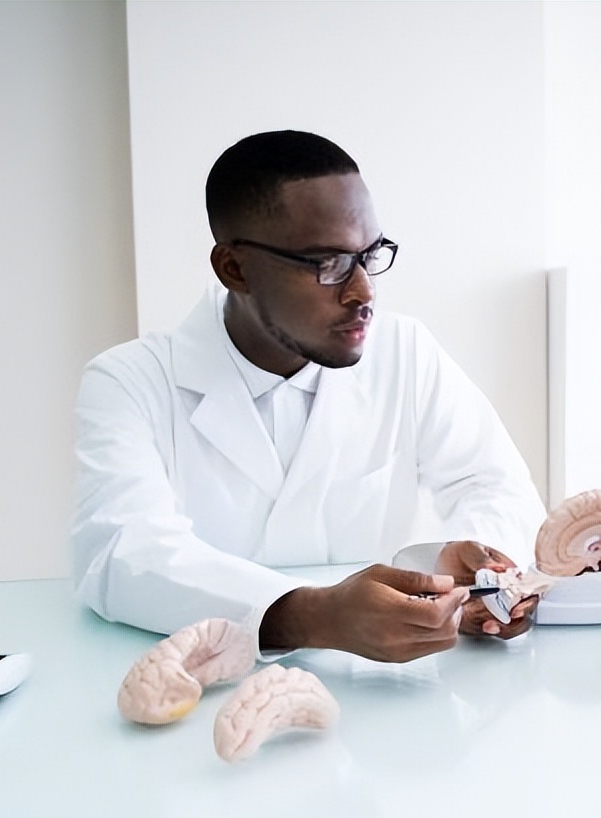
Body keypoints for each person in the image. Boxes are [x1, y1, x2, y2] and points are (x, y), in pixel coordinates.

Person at [72, 130, 547, 662]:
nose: (364, 291)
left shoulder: (405, 350)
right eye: (328, 263)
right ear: (235, 268)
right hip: (200, 688)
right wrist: (315, 615)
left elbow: (495, 484)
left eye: (370, 254)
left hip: (383, 696)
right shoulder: (131, 381)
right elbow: (120, 553)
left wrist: (477, 583)